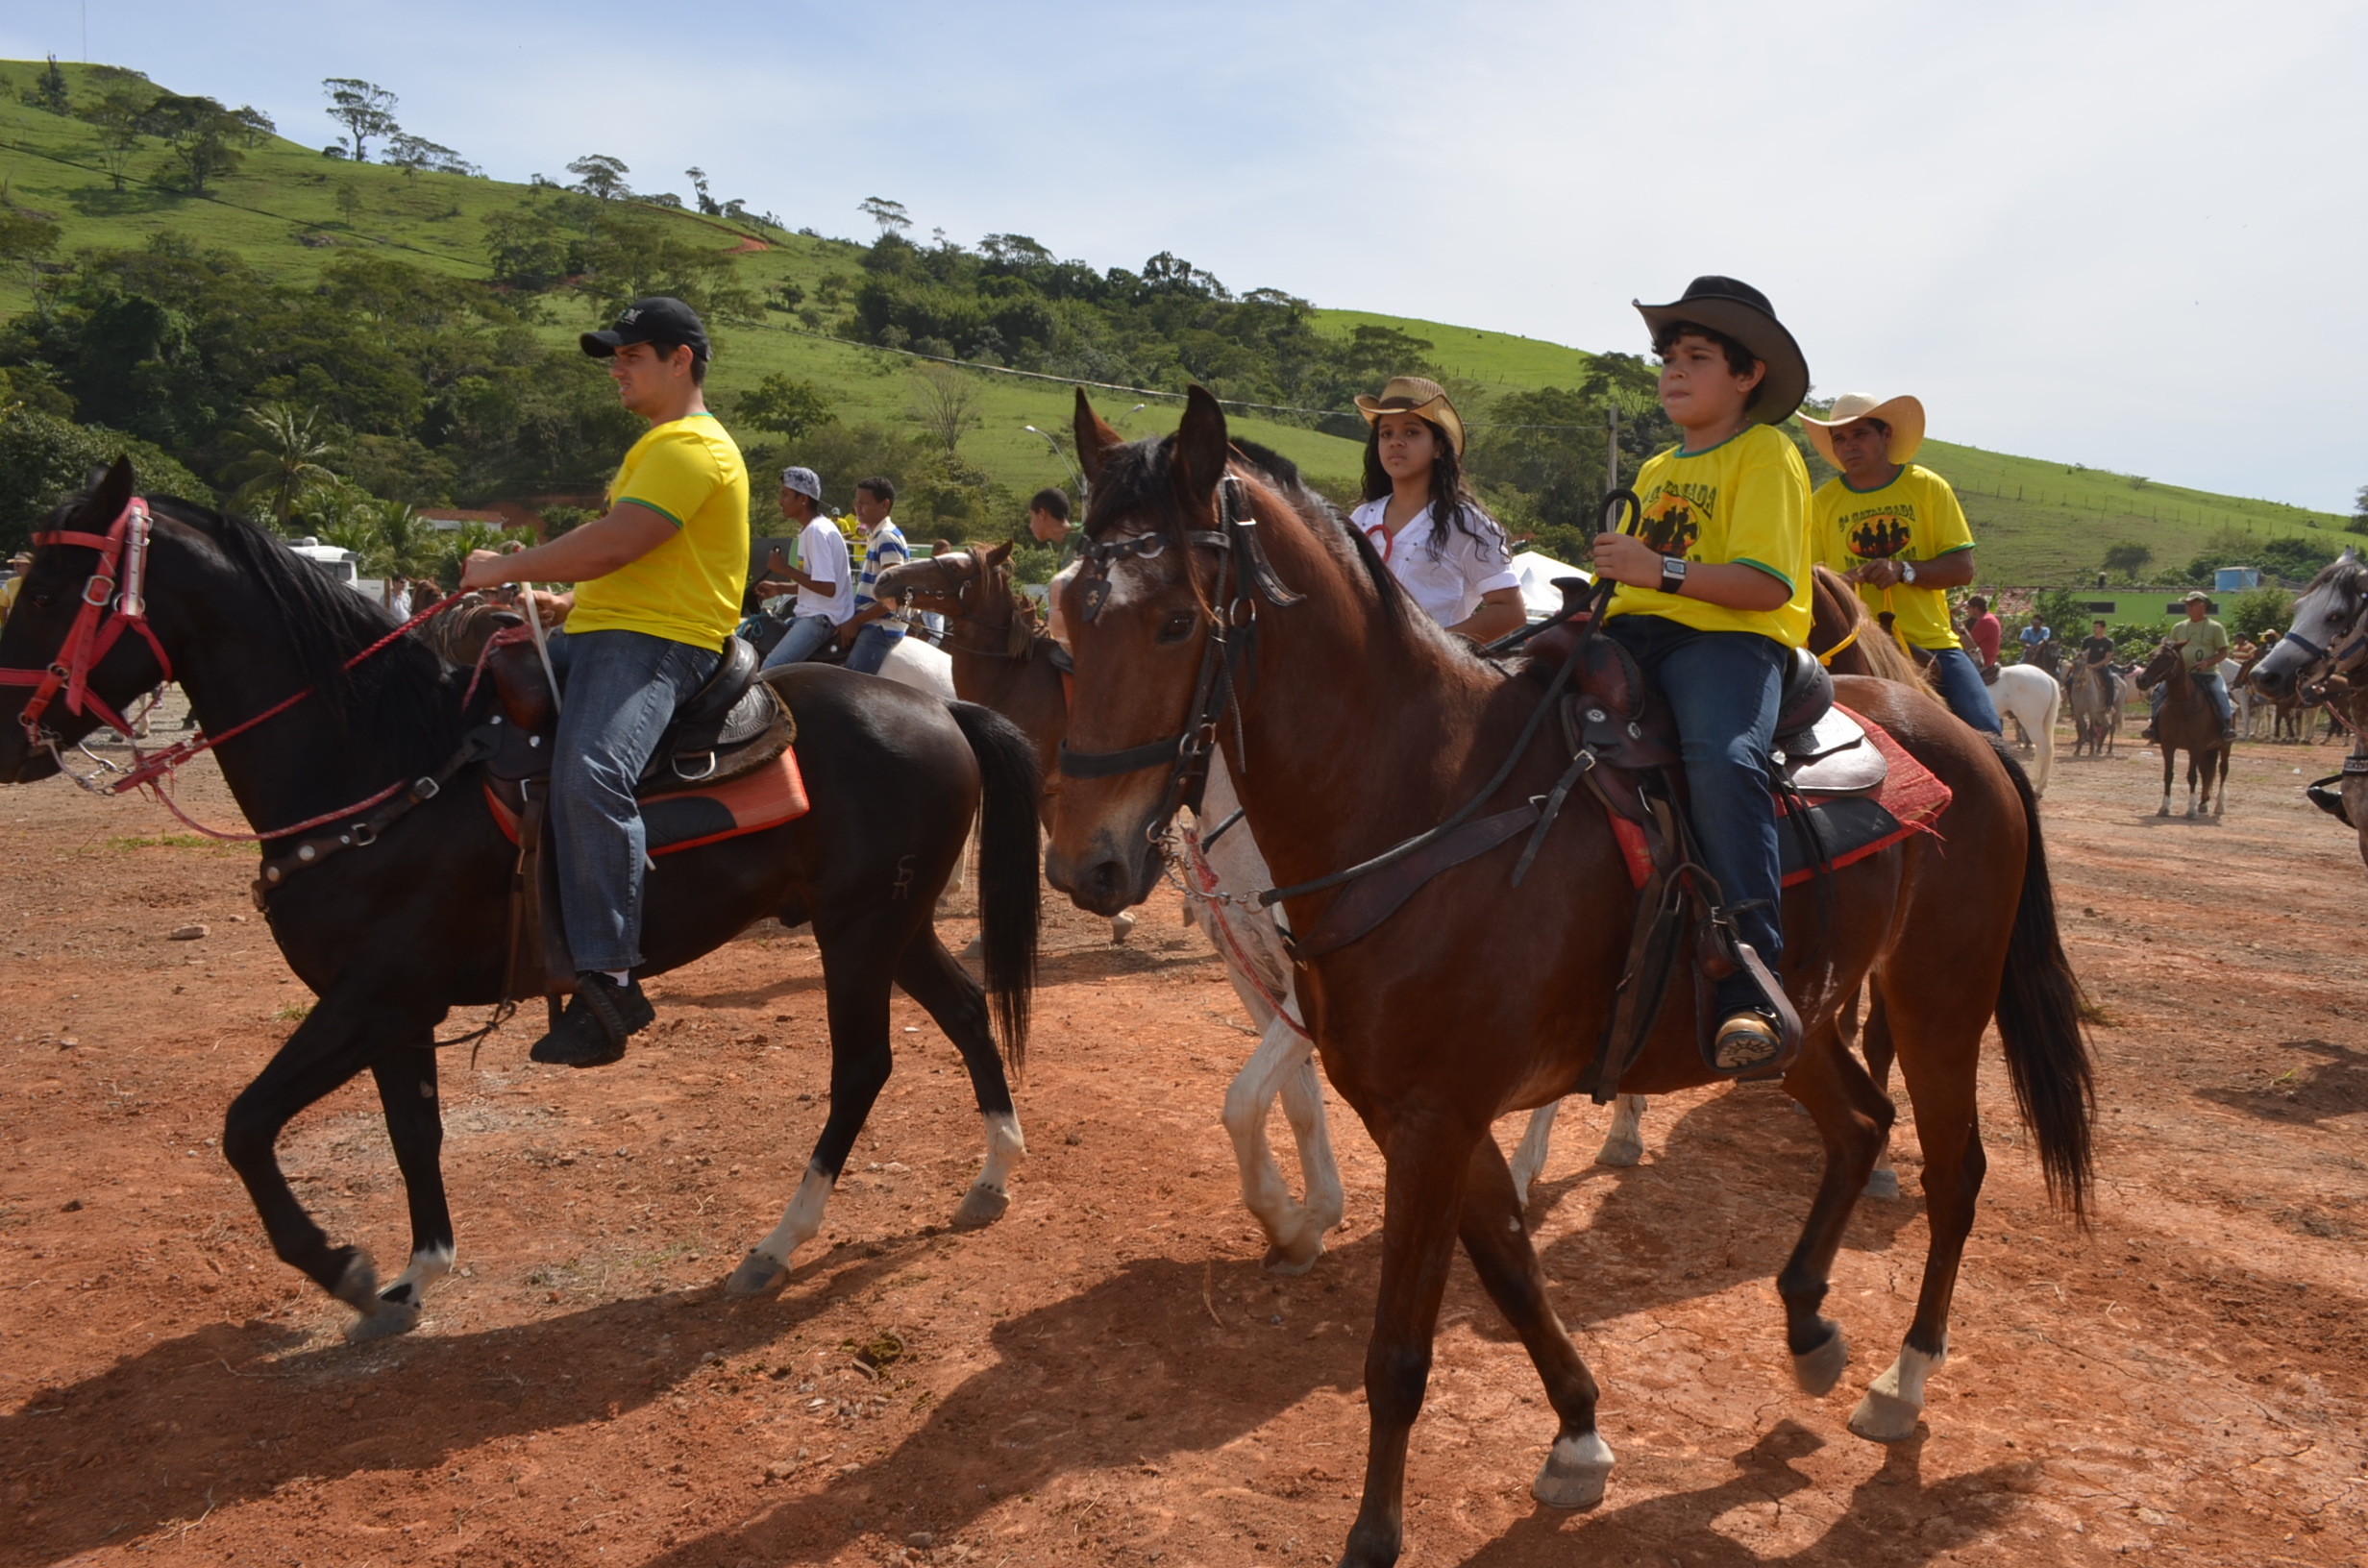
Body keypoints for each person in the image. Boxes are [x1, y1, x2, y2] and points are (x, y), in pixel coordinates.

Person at [458, 296, 749, 1068]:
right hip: (603, 628)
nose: (616, 370)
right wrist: (568, 602)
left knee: (590, 773)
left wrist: (506, 568)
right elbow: (636, 563)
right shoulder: (653, 448)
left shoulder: (692, 447)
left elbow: (620, 543)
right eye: (614, 357)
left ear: (680, 359)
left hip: (660, 645)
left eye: (630, 355)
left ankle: (612, 976)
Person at [1591, 277, 1813, 1074]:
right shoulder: (1653, 466)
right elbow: (1645, 578)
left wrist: (1658, 568)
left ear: (1748, 375)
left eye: (1697, 358)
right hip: (1635, 633)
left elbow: (1767, 584)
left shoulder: (1766, 453)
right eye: (1668, 359)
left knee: (1723, 760)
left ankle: (1752, 977)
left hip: (1729, 641)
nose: (1673, 372)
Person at [1801, 392, 1998, 732]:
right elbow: (1811, 581)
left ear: (1886, 435)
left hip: (1930, 640)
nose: (1849, 446)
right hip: (1854, 645)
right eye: (1840, 439)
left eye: (1860, 434)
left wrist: (1904, 571)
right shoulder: (1822, 502)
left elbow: (1963, 569)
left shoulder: (1926, 487)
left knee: (1986, 730)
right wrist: (1842, 582)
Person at [1346, 376, 1526, 643]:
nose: (1396, 442)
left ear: (1439, 447)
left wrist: (1430, 651)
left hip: (1435, 681)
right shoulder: (1360, 518)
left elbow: (1510, 612)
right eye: (1386, 434)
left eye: (1411, 432)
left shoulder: (1467, 523)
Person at [756, 466, 853, 669]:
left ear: (803, 499)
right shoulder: (814, 528)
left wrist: (784, 569)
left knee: (769, 669)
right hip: (813, 615)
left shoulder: (816, 532)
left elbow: (828, 588)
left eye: (785, 494)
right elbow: (818, 584)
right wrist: (780, 588)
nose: (779, 501)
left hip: (819, 620)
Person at [839, 477, 910, 675]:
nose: (857, 508)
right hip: (873, 622)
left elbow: (893, 597)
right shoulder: (878, 536)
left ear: (884, 505)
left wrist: (855, 621)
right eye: (856, 502)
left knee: (849, 684)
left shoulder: (887, 538)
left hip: (880, 629)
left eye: (863, 503)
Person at [2143, 590, 2234, 743]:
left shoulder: (2216, 627)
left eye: (2192, 604)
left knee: (2220, 693)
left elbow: (2223, 653)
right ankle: (2154, 727)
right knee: (2158, 692)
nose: (2188, 607)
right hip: (2181, 675)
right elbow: (2170, 650)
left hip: (2208, 673)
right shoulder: (2178, 627)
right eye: (2187, 604)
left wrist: (2207, 662)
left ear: (2203, 605)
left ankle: (2226, 728)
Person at [1964, 595, 2003, 676]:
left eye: (1968, 607)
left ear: (1976, 609)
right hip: (1987, 659)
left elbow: (1969, 642)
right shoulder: (1989, 618)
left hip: (1983, 662)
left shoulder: (1985, 621)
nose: (1966, 610)